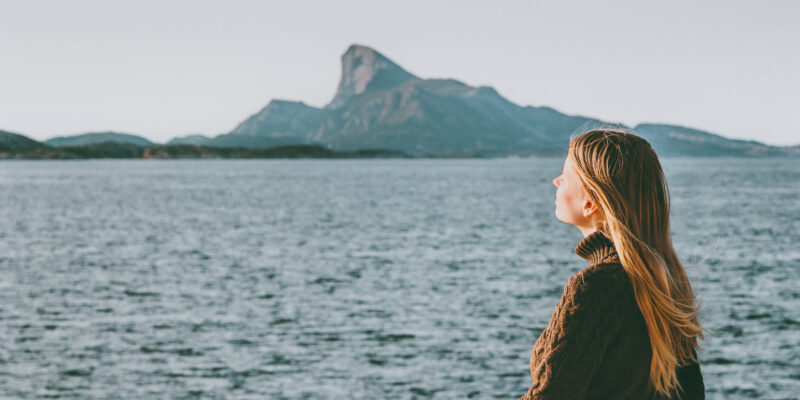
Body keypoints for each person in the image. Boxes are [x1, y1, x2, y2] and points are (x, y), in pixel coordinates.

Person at [519, 129, 706, 399]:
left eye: (565, 176)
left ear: (590, 203)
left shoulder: (594, 286)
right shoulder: (665, 280)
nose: (556, 180)